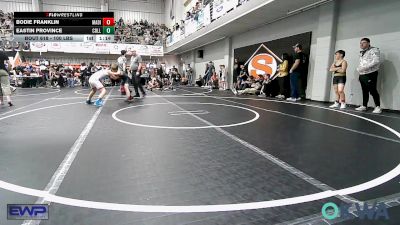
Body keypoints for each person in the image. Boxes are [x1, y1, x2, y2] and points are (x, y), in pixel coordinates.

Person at [356, 38, 382, 113]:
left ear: (368, 43)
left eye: (363, 43)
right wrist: (359, 71)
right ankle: (364, 105)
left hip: (371, 73)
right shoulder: (361, 52)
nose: (361, 44)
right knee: (364, 90)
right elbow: (362, 63)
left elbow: (376, 61)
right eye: (360, 43)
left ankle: (378, 107)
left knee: (373, 90)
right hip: (362, 74)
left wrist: (364, 68)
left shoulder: (374, 50)